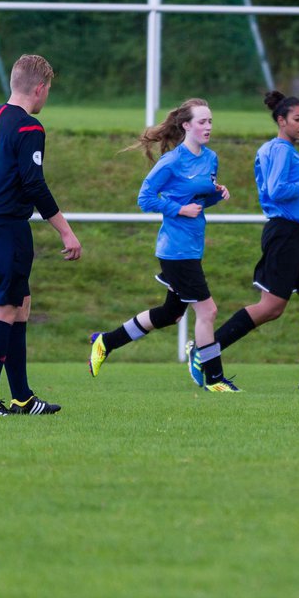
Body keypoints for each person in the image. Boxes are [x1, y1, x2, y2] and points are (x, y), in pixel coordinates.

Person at [0, 54, 81, 415]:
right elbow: (34, 184)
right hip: (3, 227)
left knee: (20, 306)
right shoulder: (29, 128)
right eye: (48, 91)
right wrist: (67, 233)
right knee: (3, 309)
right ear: (39, 89)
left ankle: (23, 397)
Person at [190, 90, 299, 391]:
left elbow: (277, 196)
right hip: (284, 235)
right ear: (281, 120)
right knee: (271, 307)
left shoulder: (281, 150)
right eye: (298, 119)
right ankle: (204, 351)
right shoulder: (280, 150)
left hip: (298, 232)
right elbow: (275, 190)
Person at [87, 99, 238, 391]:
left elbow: (199, 197)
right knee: (208, 312)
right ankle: (215, 379)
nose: (208, 127)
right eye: (202, 122)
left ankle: (106, 341)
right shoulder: (171, 162)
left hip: (193, 246)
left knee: (171, 314)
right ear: (185, 126)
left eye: (210, 122)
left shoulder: (211, 158)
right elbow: (145, 198)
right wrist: (179, 210)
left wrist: (217, 195)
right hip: (175, 250)